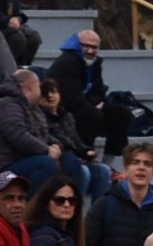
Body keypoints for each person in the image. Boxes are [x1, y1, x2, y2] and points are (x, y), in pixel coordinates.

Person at [0, 66, 88, 195]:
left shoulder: (32, 107)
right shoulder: (7, 105)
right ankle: (35, 206)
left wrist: (55, 145)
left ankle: (68, 203)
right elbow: (18, 136)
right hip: (4, 171)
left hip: (28, 160)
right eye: (39, 87)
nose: (41, 91)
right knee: (45, 164)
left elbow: (44, 133)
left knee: (70, 162)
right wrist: (47, 150)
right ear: (29, 88)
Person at [49, 29, 131, 166]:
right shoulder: (67, 62)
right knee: (91, 115)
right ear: (77, 45)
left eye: (94, 47)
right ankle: (85, 158)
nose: (90, 51)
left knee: (122, 114)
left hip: (86, 106)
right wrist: (92, 106)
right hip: (65, 111)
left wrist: (96, 102)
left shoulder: (95, 63)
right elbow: (70, 97)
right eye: (86, 46)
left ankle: (108, 164)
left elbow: (99, 90)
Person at [38, 74, 108, 201]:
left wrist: (86, 151)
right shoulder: (38, 117)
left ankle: (97, 210)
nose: (50, 96)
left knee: (103, 171)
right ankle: (74, 209)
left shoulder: (66, 115)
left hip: (74, 158)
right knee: (83, 172)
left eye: (54, 92)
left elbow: (76, 141)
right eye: (45, 93)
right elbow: (51, 141)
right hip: (60, 161)